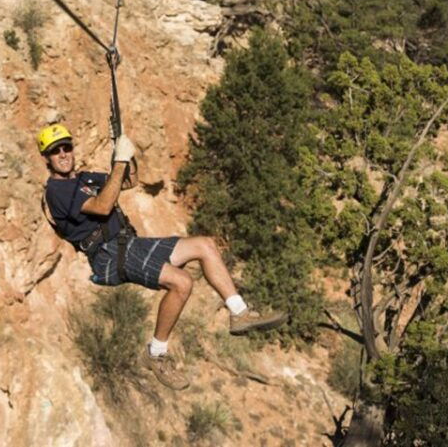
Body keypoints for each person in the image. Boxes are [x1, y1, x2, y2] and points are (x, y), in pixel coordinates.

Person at [38, 123, 287, 390]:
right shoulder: (57, 191)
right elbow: (103, 206)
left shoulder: (85, 179)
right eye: (55, 151)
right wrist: (119, 161)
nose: (63, 154)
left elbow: (129, 181)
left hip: (128, 243)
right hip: (108, 254)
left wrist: (126, 154)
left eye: (66, 147)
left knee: (204, 246)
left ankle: (239, 313)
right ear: (46, 158)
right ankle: (156, 354)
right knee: (182, 282)